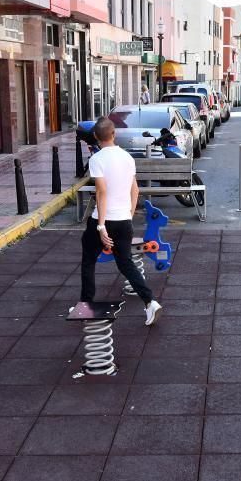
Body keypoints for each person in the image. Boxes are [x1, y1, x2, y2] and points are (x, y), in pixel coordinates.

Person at [80, 117, 163, 326]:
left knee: (89, 260)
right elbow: (135, 189)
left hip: (104, 220)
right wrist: (129, 213)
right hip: (124, 219)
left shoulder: (97, 159)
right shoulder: (127, 158)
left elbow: (101, 191)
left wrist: (100, 226)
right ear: (114, 134)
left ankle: (85, 303)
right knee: (125, 262)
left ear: (96, 138)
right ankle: (150, 301)